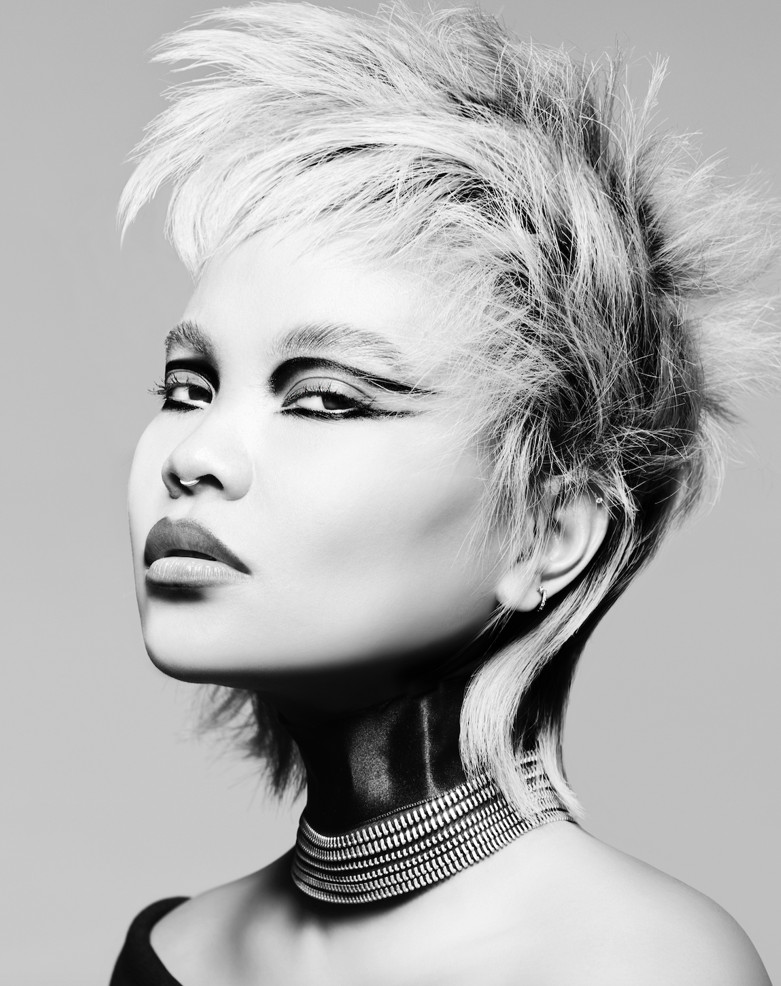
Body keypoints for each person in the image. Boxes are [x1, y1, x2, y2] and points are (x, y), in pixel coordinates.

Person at [109, 3, 777, 983]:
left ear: (549, 533)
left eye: (326, 398)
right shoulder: (171, 950)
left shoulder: (645, 966)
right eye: (186, 388)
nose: (196, 453)